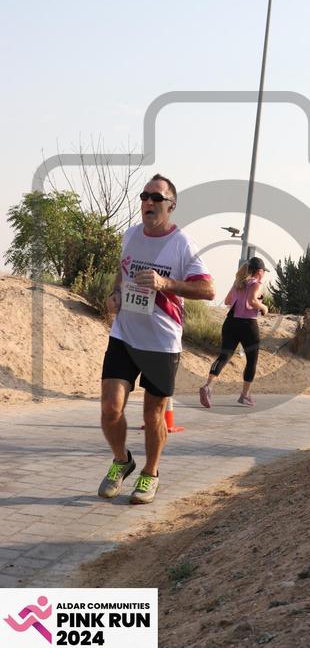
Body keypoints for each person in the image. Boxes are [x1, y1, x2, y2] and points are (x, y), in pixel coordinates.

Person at [98, 174, 215, 504]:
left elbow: (208, 289)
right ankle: (122, 461)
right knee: (110, 409)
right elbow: (123, 270)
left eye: (156, 198)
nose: (148, 202)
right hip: (124, 334)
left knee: (153, 416)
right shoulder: (131, 235)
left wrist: (166, 284)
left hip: (161, 342)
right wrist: (115, 294)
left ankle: (150, 473)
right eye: (144, 196)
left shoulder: (182, 244)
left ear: (170, 205)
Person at [199, 256, 269, 409]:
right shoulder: (257, 284)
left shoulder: (238, 283)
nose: (264, 274)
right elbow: (252, 301)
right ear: (259, 271)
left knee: (224, 356)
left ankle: (208, 386)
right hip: (248, 325)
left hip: (230, 322)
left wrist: (240, 298)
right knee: (251, 360)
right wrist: (263, 307)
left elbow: (227, 301)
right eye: (264, 271)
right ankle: (245, 395)